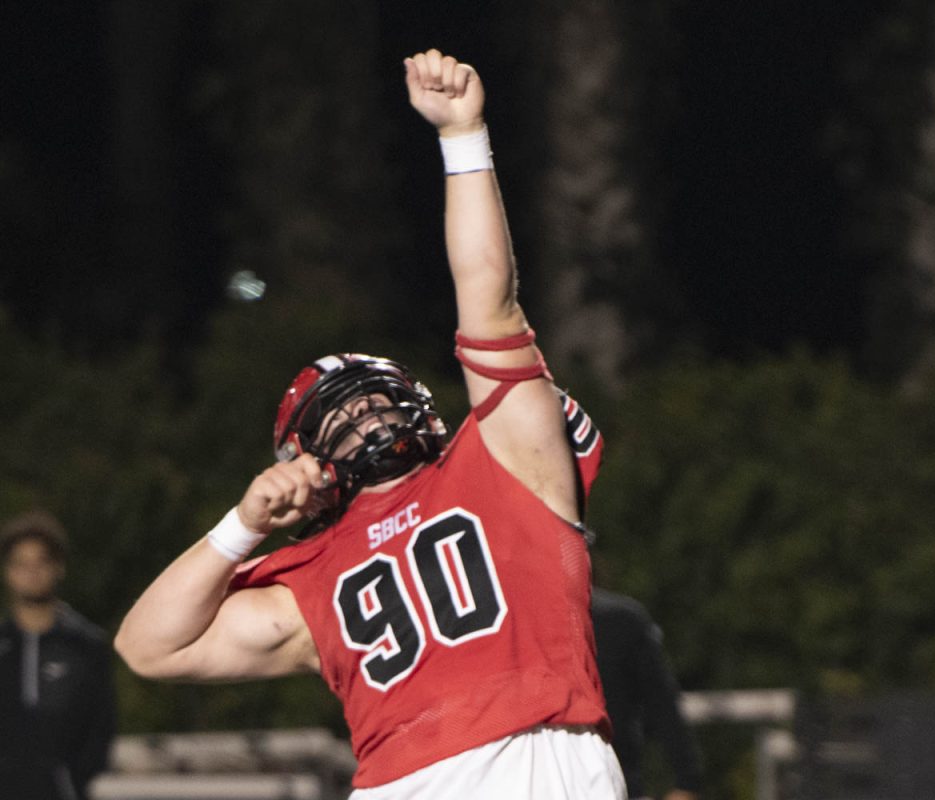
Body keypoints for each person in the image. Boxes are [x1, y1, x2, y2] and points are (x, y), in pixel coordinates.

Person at [114, 49, 625, 800]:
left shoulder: (505, 457)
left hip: (537, 754)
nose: (363, 416)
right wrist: (243, 524)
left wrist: (464, 138)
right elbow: (146, 647)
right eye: (338, 415)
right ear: (306, 464)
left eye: (369, 396)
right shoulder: (312, 576)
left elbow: (489, 298)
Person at [0, 511, 115, 800]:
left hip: (64, 791)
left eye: (41, 561)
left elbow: (101, 724)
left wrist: (76, 775)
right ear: (7, 572)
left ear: (58, 567)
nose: (31, 572)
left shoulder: (85, 645)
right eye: (20, 563)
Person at [592, 587, 702, 800]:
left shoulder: (618, 620)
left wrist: (687, 779)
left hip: (617, 782)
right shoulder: (620, 619)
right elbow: (663, 704)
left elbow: (662, 704)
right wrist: (688, 779)